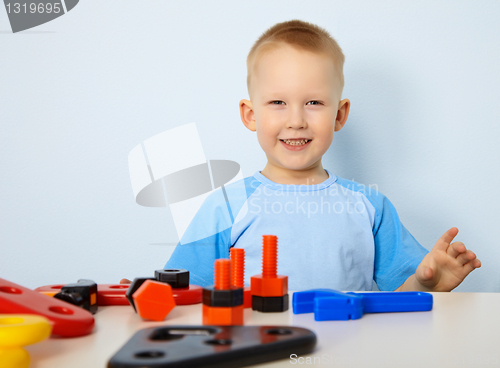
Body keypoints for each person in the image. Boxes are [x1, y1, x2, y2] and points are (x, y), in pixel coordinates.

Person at [122, 20, 480, 291]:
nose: (296, 120)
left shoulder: (370, 206)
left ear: (339, 115)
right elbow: (181, 293)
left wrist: (427, 284)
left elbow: (398, 299)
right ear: (250, 115)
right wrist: (144, 295)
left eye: (313, 103)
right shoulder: (225, 207)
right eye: (278, 103)